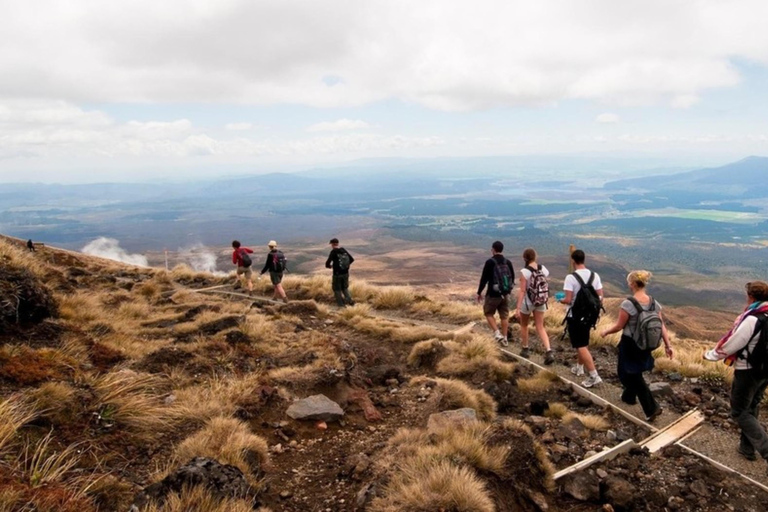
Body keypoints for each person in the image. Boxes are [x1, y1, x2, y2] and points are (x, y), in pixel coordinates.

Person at [703, 281, 768, 467]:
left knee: (739, 411)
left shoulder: (753, 318)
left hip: (748, 370)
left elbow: (734, 343)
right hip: (765, 371)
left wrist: (710, 355)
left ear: (751, 297)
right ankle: (747, 448)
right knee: (753, 405)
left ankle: (765, 449)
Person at [600, 271, 673, 421]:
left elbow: (620, 326)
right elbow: (661, 325)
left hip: (631, 343)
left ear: (633, 284)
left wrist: (606, 331)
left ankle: (651, 408)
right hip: (647, 344)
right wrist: (667, 345)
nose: (628, 284)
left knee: (626, 373)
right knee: (634, 371)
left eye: (629, 282)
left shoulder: (628, 303)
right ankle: (629, 397)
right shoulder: (653, 302)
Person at [558, 249, 604, 388]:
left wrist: (560, 300)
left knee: (580, 345)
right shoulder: (594, 276)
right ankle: (579, 367)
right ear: (584, 259)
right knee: (583, 342)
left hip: (575, 316)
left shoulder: (571, 278)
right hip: (590, 316)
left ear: (573, 261)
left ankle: (594, 376)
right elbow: (600, 297)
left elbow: (568, 299)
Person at [515, 248, 555, 364]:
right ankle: (548, 351)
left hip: (528, 303)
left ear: (524, 258)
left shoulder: (524, 272)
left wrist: (518, 308)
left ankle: (525, 349)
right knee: (540, 327)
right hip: (541, 301)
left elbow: (522, 291)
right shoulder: (543, 269)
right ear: (535, 257)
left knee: (524, 325)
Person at [477, 241, 515, 346]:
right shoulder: (508, 262)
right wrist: (507, 291)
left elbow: (484, 279)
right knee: (504, 316)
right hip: (505, 294)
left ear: (493, 250)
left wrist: (479, 292)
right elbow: (512, 278)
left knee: (488, 313)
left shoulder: (490, 262)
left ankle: (497, 333)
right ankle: (505, 338)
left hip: (493, 294)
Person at [325, 238, 355, 307]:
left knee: (337, 289)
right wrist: (346, 266)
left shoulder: (333, 252)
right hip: (345, 273)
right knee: (345, 288)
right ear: (338, 243)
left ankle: (341, 306)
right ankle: (350, 301)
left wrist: (331, 266)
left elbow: (327, 263)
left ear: (332, 244)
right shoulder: (343, 250)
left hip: (337, 274)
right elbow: (352, 259)